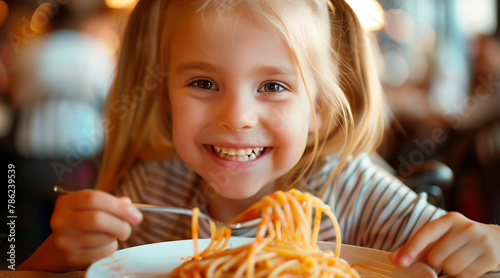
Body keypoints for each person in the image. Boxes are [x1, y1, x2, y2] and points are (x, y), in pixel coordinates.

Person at [19, 0, 500, 276]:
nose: (237, 118)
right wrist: (55, 260)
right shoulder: (148, 193)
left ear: (318, 110)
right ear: (166, 99)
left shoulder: (356, 192)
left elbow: (468, 256)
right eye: (203, 84)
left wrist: (490, 246)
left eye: (273, 87)